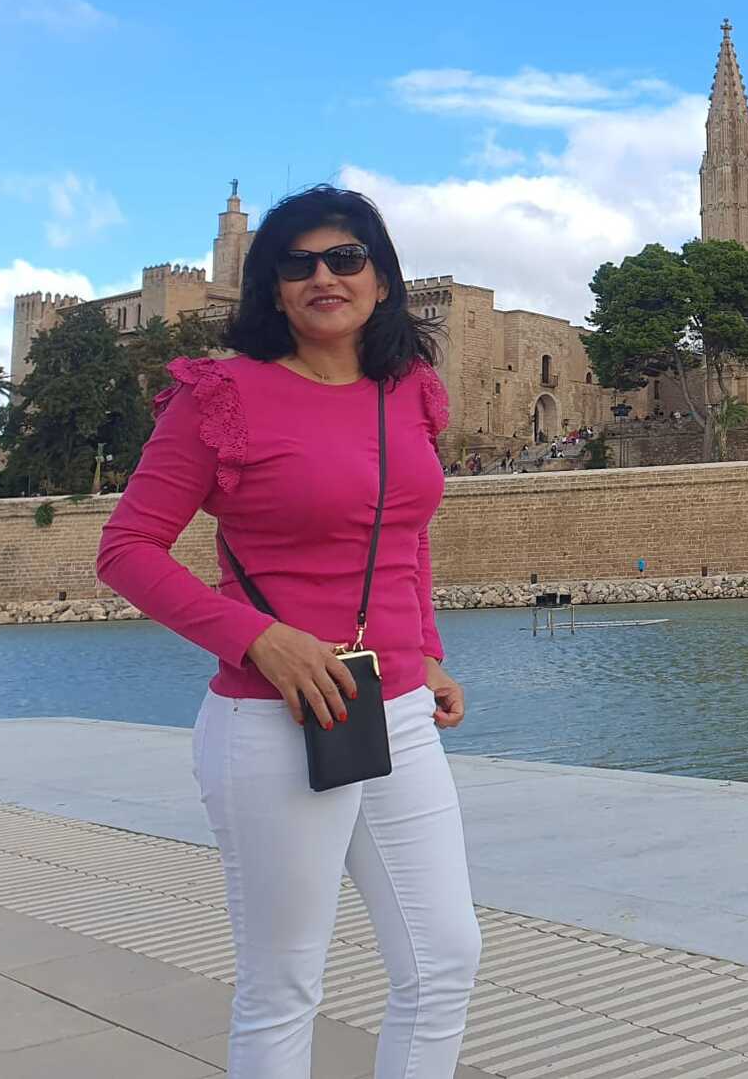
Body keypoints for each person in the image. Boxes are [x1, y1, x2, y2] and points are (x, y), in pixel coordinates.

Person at [96, 186, 481, 1079]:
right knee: (284, 985)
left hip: (395, 710)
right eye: (296, 262)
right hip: (272, 721)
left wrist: (426, 649)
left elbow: (406, 533)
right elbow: (126, 550)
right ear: (270, 289)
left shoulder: (411, 392)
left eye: (345, 257)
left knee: (444, 958)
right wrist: (257, 638)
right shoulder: (220, 395)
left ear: (382, 279)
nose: (323, 275)